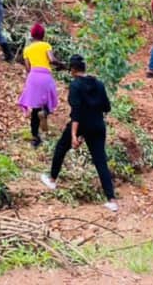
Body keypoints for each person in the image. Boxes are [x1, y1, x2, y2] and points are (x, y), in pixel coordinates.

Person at [40, 54, 118, 212]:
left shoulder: (75, 85)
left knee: (61, 147)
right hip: (98, 124)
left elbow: (76, 112)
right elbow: (107, 107)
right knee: (100, 161)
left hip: (81, 124)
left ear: (73, 69)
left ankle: (52, 179)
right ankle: (111, 200)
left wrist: (75, 135)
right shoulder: (99, 84)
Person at [18, 24, 58, 147]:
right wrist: (61, 64)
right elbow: (52, 60)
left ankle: (35, 138)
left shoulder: (27, 49)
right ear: (43, 35)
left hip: (33, 76)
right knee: (48, 100)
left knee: (35, 108)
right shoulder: (46, 45)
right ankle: (45, 112)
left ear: (32, 35)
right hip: (45, 76)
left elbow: (27, 68)